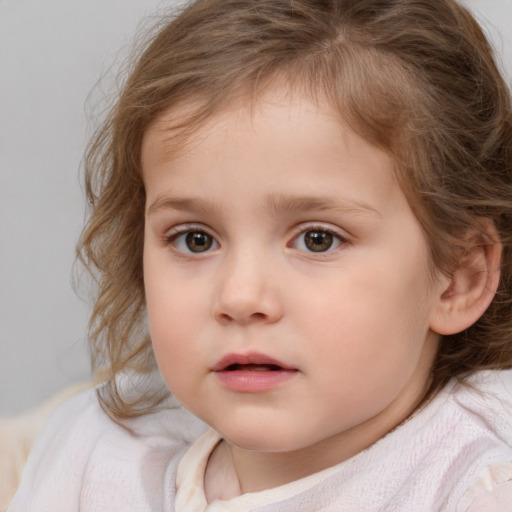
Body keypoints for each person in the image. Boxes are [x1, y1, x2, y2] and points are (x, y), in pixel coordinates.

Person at [7, 0, 512, 510]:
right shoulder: (96, 449)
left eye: (318, 239)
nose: (240, 296)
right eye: (195, 239)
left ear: (458, 279)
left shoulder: (476, 488)